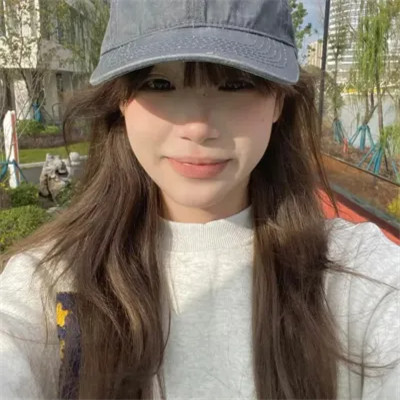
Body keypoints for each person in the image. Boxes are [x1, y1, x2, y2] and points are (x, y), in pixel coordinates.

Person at [0, 0, 399, 399]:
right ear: (121, 100)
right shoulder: (49, 279)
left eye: (235, 83)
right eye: (159, 84)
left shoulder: (357, 276)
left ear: (279, 100)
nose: (197, 126)